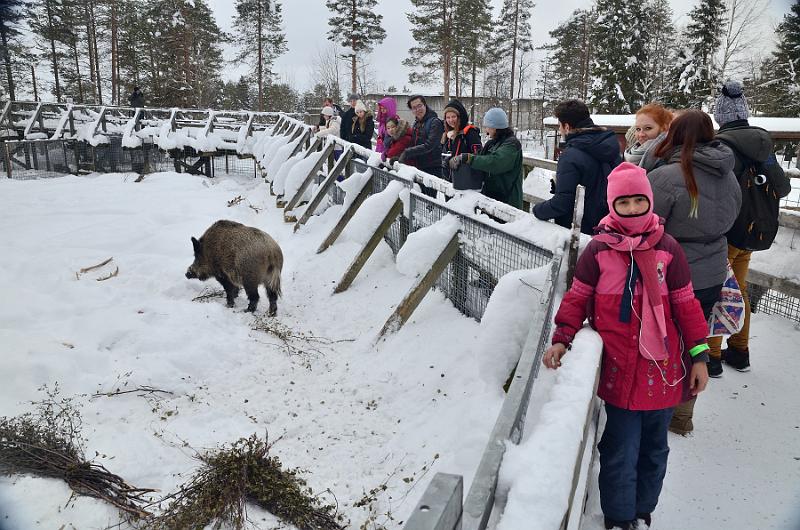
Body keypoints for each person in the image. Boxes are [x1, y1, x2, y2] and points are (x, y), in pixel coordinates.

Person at [542, 162, 710, 530]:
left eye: (639, 201)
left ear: (649, 201)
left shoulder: (669, 250)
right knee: (620, 450)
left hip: (664, 374)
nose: (633, 209)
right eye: (624, 203)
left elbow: (686, 305)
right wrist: (562, 337)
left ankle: (642, 510)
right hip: (621, 371)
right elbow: (578, 297)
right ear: (611, 205)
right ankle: (619, 517)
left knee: (654, 450)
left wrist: (699, 354)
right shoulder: (599, 250)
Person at [647, 109, 741, 435]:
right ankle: (681, 416)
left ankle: (654, 403)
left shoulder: (666, 176)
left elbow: (646, 224)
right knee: (695, 341)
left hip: (672, 271)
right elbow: (733, 215)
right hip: (712, 269)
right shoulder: (728, 175)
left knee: (662, 336)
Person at [710, 80, 791, 374]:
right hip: (754, 230)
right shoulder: (764, 144)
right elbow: (782, 188)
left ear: (720, 116)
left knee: (720, 289)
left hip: (727, 231)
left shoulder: (722, 147)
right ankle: (740, 351)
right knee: (740, 289)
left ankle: (713, 356)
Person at [533, 99, 622, 235]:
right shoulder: (610, 147)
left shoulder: (570, 155)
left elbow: (562, 203)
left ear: (567, 127)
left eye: (560, 126)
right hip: (607, 226)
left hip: (579, 231)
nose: (560, 130)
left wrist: (537, 210)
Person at [449, 108, 522, 208]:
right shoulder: (493, 143)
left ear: (495, 127)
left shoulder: (511, 145)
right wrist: (460, 159)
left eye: (488, 127)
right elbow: (480, 157)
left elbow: (495, 163)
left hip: (508, 202)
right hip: (492, 198)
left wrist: (469, 158)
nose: (486, 130)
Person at [399, 95, 444, 197]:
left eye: (419, 106)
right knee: (418, 201)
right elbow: (413, 143)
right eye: (414, 108)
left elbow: (429, 145)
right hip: (418, 167)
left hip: (432, 168)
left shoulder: (435, 122)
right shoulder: (416, 124)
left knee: (428, 203)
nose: (417, 109)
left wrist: (407, 152)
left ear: (425, 105)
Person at [440, 99, 482, 183]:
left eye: (453, 117)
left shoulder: (470, 133)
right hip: (449, 179)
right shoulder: (447, 134)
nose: (451, 120)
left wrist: (461, 159)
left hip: (466, 180)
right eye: (448, 117)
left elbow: (479, 156)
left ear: (460, 117)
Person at [624, 103, 673, 170]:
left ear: (664, 128)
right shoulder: (630, 155)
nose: (641, 134)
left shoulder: (668, 158)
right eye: (638, 129)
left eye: (648, 128)